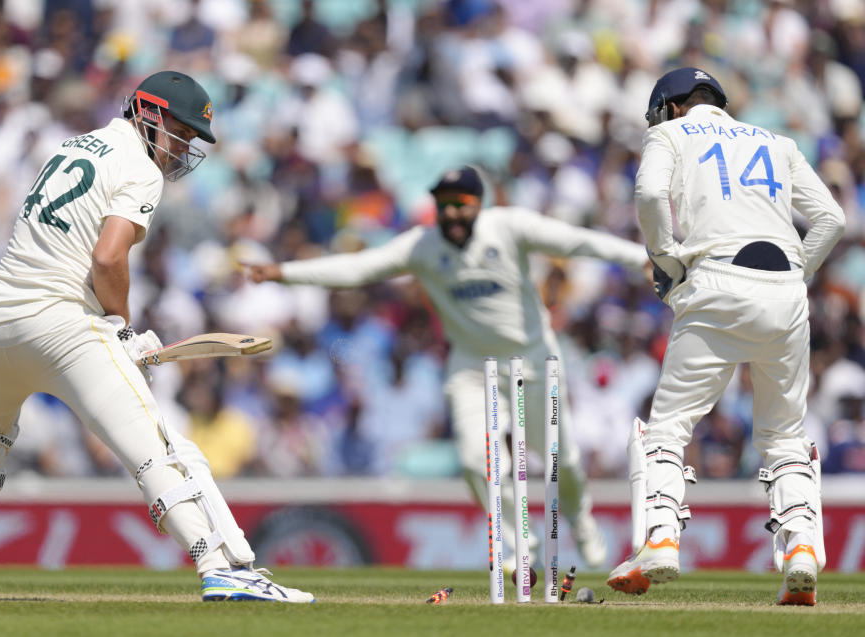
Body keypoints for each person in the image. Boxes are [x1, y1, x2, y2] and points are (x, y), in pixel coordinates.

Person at [0, 71, 313, 603]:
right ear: (149, 113)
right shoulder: (139, 167)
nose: (185, 146)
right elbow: (107, 257)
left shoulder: (72, 145)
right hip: (60, 324)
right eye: (182, 131)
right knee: (159, 449)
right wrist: (120, 327)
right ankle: (222, 566)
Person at [245, 166, 651, 571]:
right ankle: (520, 546)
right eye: (444, 205)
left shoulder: (508, 227)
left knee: (562, 462)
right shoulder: (423, 246)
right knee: (479, 461)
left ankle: (580, 520)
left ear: (479, 204)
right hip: (472, 366)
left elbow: (577, 242)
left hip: (532, 359)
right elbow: (359, 268)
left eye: (462, 204)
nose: (452, 213)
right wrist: (283, 273)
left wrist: (641, 258)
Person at [606, 68, 845, 606]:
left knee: (666, 428)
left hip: (714, 280)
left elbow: (647, 193)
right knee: (784, 436)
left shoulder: (669, 133)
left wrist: (665, 257)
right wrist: (793, 276)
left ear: (670, 107)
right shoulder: (774, 141)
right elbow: (832, 218)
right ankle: (801, 552)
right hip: (785, 291)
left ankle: (660, 540)